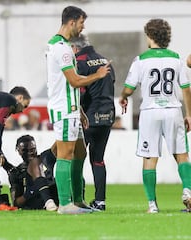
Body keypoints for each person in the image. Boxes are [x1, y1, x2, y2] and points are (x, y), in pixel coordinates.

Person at [119, 18, 191, 213]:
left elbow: (129, 88)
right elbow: (186, 88)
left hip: (150, 112)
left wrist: (123, 97)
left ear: (149, 36)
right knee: (182, 155)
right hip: (173, 110)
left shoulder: (141, 60)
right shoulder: (177, 58)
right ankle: (187, 190)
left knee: (150, 158)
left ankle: (152, 205)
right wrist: (189, 115)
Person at [45, 5, 111, 214]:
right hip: (63, 109)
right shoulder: (62, 49)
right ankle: (65, 204)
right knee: (65, 154)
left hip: (72, 108)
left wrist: (80, 110)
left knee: (80, 152)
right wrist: (98, 75)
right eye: (82, 22)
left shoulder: (61, 45)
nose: (83, 27)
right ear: (72, 21)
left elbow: (68, 83)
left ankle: (79, 201)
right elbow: (73, 81)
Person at [70, 34, 116, 211]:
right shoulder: (105, 61)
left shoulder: (80, 63)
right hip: (108, 115)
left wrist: (80, 112)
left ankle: (76, 198)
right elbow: (111, 84)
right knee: (98, 160)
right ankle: (100, 201)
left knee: (76, 158)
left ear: (75, 48)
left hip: (89, 116)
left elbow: (80, 90)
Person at [1, 135, 58, 210]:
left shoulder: (45, 158)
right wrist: (30, 193)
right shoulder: (17, 173)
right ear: (18, 151)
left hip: (54, 195)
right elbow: (16, 203)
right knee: (35, 162)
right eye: (25, 150)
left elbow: (60, 145)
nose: (30, 153)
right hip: (35, 202)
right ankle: (49, 203)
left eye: (33, 150)